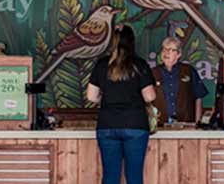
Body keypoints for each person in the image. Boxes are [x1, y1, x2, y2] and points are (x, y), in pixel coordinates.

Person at [87, 25, 156, 184]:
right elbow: (149, 96)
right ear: (132, 42)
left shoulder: (102, 64)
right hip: (135, 125)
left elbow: (91, 96)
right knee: (134, 177)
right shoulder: (139, 64)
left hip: (107, 124)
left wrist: (107, 97)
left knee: (110, 177)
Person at [150, 36, 207, 125]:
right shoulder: (153, 72)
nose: (166, 53)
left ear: (179, 54)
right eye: (164, 49)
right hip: (160, 125)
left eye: (171, 50)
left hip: (186, 125)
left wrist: (197, 123)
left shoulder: (188, 70)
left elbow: (198, 97)